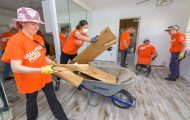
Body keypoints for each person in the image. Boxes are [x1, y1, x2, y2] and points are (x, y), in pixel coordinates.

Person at [1, 7, 68, 120]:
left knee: (53, 99)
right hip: (30, 79)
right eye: (33, 23)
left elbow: (42, 56)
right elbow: (16, 67)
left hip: (44, 76)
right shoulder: (15, 41)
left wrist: (52, 63)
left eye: (38, 23)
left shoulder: (38, 38)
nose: (37, 27)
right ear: (22, 23)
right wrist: (41, 70)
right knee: (31, 102)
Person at [55, 20, 98, 91]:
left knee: (77, 68)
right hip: (65, 53)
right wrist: (90, 39)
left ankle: (76, 82)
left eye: (87, 27)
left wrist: (106, 46)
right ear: (80, 27)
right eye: (85, 27)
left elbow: (91, 41)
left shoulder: (85, 36)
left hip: (73, 54)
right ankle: (58, 81)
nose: (86, 29)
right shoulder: (75, 32)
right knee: (61, 68)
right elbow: (79, 36)